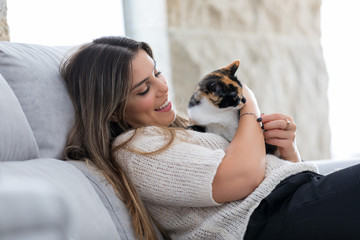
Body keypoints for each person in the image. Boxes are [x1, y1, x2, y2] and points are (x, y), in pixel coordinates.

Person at [61, 36, 360, 240]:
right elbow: (242, 176)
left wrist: (287, 149)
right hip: (267, 221)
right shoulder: (136, 151)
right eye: (143, 89)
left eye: (157, 73)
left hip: (292, 203)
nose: (163, 88)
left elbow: (261, 172)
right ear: (112, 112)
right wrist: (246, 102)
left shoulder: (180, 132)